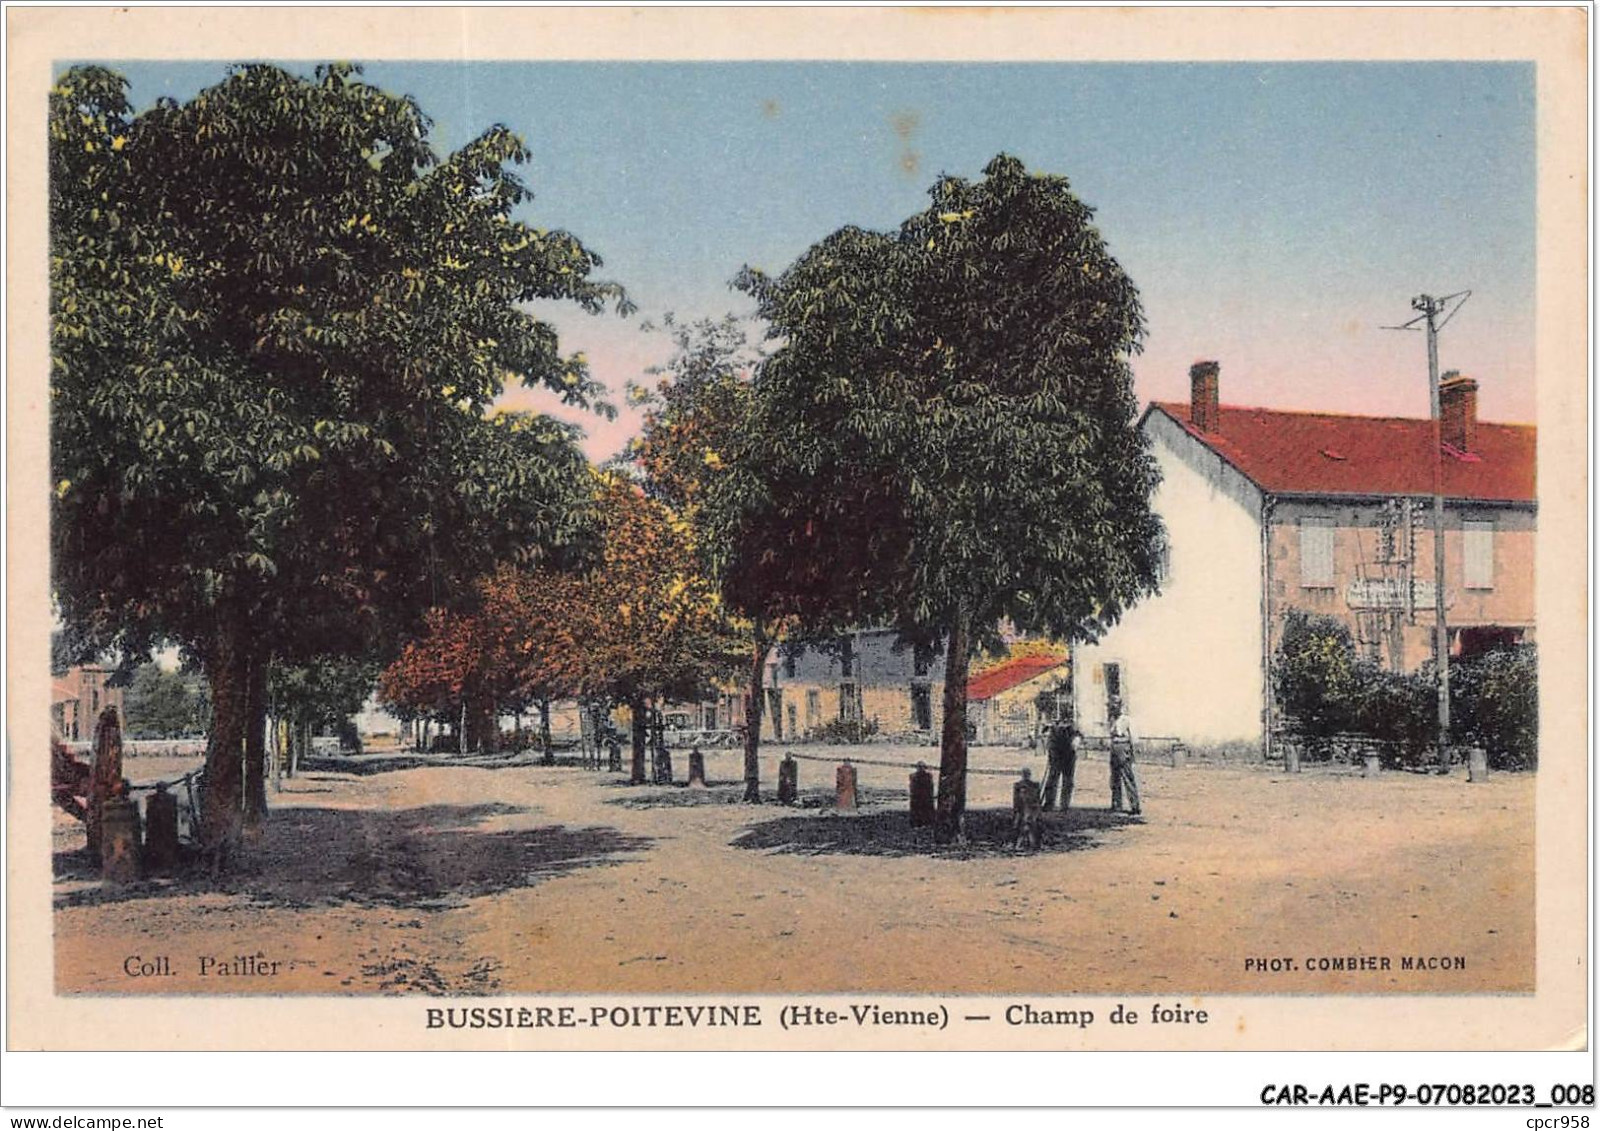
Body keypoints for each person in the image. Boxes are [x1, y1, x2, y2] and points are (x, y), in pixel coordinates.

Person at [1109, 704, 1141, 816]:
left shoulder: (1126, 720)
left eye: (1114, 707)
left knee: (1128, 778)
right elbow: (1111, 736)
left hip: (1124, 748)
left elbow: (1133, 738)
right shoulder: (1112, 720)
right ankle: (1116, 804)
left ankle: (1135, 806)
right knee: (1114, 779)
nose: (1112, 709)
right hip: (1114, 749)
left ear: (1119, 707)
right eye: (1111, 707)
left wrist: (1132, 755)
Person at [1040, 719, 1078, 811]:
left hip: (1067, 751)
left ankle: (1063, 804)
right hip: (1058, 751)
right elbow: (1044, 732)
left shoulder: (1070, 725)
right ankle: (1051, 803)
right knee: (1054, 777)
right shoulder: (1053, 726)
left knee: (1066, 779)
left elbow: (1076, 735)